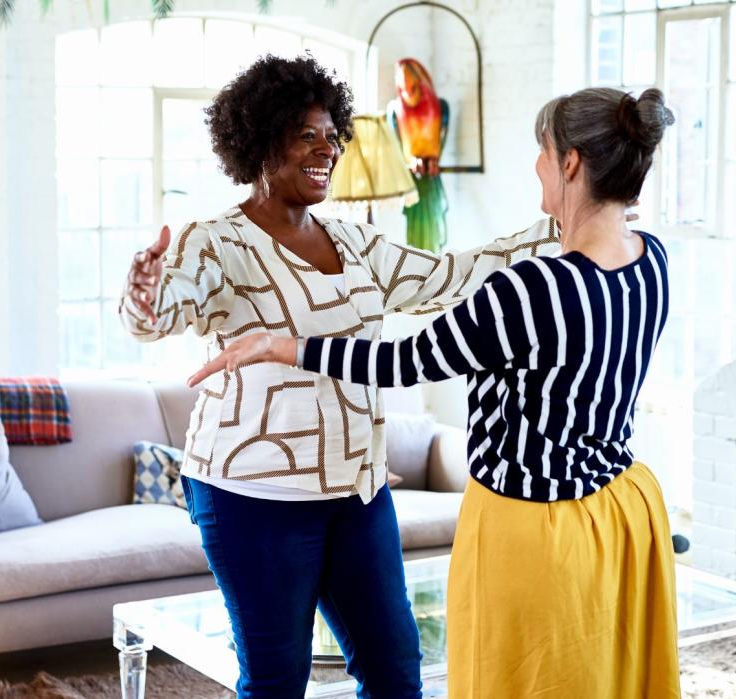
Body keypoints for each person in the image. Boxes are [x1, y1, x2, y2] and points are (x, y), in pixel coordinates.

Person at [189, 86, 680, 699]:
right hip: (620, 507)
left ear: (572, 163)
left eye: (543, 151)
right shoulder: (653, 259)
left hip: (533, 524)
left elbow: (407, 361)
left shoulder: (532, 288)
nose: (536, 164)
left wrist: (287, 347)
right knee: (603, 675)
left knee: (526, 679)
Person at [121, 54, 562, 698]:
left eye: (333, 135)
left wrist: (561, 230)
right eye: (308, 135)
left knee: (394, 670)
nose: (328, 149)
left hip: (357, 492)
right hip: (252, 497)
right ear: (262, 142)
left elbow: (447, 277)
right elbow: (164, 310)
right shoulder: (213, 242)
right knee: (276, 680)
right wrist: (143, 293)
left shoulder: (355, 244)